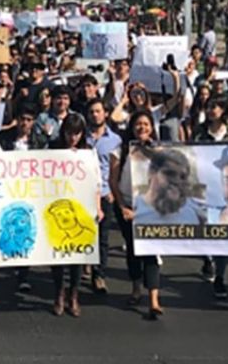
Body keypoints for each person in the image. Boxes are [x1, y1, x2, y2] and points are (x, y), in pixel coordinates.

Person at [111, 110, 174, 319]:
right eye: (138, 124)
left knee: (151, 251)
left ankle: (154, 300)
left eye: (146, 124)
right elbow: (113, 180)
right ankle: (136, 288)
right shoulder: (121, 149)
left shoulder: (160, 150)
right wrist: (122, 207)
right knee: (133, 249)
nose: (142, 128)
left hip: (150, 208)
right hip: (127, 205)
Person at [48, 117, 99, 317]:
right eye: (69, 133)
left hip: (80, 207)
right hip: (56, 206)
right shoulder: (53, 149)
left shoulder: (87, 153)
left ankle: (74, 294)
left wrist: (98, 206)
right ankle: (59, 293)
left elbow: (96, 181)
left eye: (77, 133)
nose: (73, 137)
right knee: (57, 254)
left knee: (78, 256)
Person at [85, 97, 121, 294]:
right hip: (83, 193)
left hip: (105, 194)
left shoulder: (115, 140)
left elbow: (114, 170)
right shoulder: (83, 138)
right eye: (91, 112)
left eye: (98, 111)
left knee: (103, 237)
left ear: (105, 114)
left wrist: (113, 193)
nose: (95, 115)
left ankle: (99, 275)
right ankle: (85, 265)